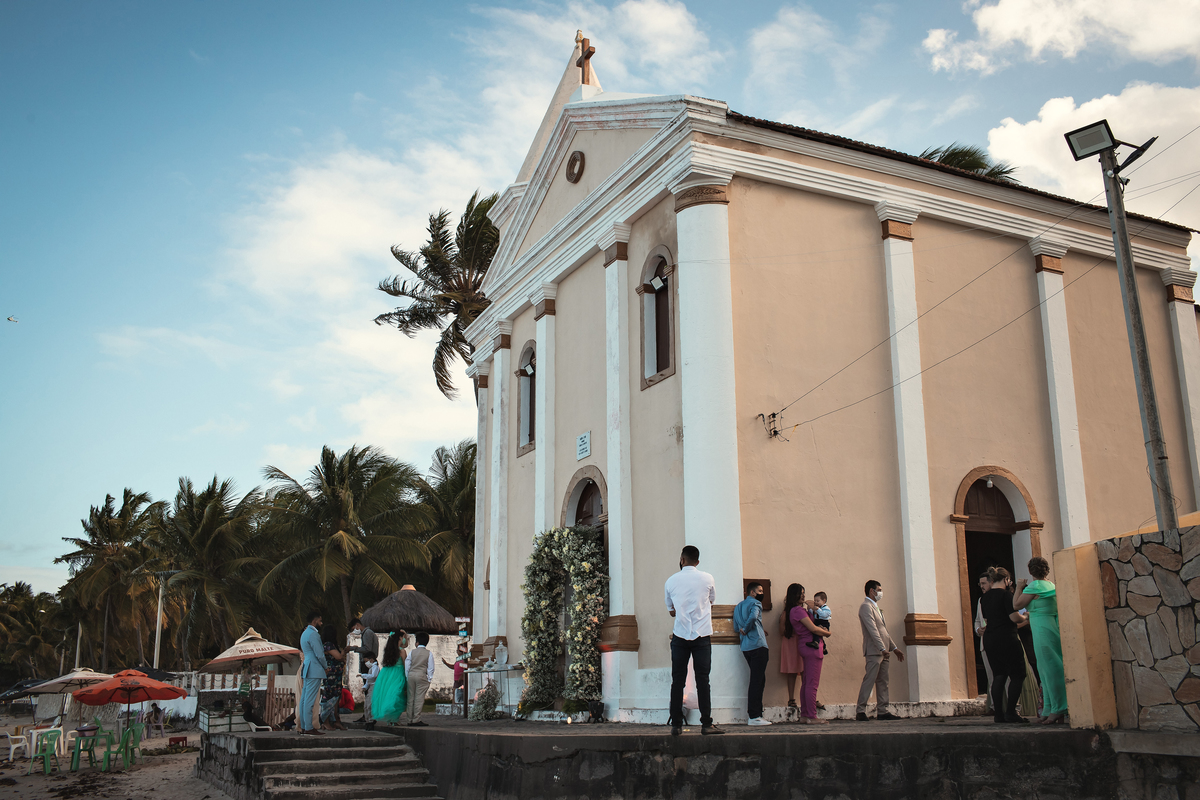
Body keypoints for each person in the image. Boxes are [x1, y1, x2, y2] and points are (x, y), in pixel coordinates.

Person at [664, 545, 723, 736]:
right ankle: (706, 723)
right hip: (702, 635)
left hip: (680, 636)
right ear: (697, 562)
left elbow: (671, 610)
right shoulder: (708, 578)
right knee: (703, 680)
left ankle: (676, 725)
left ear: (682, 559)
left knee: (677, 681)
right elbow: (711, 601)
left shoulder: (671, 581)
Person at [1013, 557, 1068, 724]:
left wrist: (1019, 586)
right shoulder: (1050, 585)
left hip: (1042, 629)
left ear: (1031, 571)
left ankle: (1058, 708)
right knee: (1046, 668)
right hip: (1050, 626)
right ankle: (1049, 708)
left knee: (1050, 669)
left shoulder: (1034, 586)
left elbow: (1016, 604)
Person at [980, 566, 1029, 724]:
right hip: (1007, 637)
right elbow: (1014, 618)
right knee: (1017, 674)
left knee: (998, 675)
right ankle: (1011, 712)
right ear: (1006, 580)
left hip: (990, 638)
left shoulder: (984, 598)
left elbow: (988, 619)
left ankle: (998, 714)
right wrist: (1026, 617)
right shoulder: (1007, 595)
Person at [856, 580, 904, 722]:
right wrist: (882, 648)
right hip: (874, 650)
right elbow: (873, 630)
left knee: (883, 681)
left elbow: (884, 631)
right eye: (879, 590)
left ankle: (883, 710)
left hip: (885, 651)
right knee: (870, 680)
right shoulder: (866, 607)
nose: (880, 593)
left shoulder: (876, 608)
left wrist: (894, 648)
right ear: (872, 591)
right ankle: (860, 710)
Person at [790, 584, 832, 724]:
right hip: (811, 647)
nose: (803, 595)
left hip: (806, 646)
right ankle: (812, 716)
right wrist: (827, 633)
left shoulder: (798, 610)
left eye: (804, 592)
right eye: (800, 593)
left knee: (807, 682)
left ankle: (805, 714)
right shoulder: (797, 611)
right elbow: (813, 628)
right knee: (812, 684)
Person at [734, 581, 771, 727]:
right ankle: (754, 716)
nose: (762, 593)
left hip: (746, 647)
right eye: (760, 590)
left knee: (758, 678)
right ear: (752, 592)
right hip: (758, 645)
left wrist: (745, 629)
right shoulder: (756, 603)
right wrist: (748, 628)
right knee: (758, 680)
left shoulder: (738, 607)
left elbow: (736, 627)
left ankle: (757, 714)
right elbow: (754, 617)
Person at [298, 610, 328, 735]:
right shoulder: (313, 634)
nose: (321, 623)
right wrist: (325, 666)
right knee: (309, 700)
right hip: (314, 668)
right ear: (315, 621)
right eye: (320, 621)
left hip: (307, 667)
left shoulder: (305, 633)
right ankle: (309, 727)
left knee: (304, 699)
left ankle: (305, 726)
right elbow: (320, 654)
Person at [372, 631, 409, 724]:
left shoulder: (389, 650)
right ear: (400, 638)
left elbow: (405, 644)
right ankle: (394, 719)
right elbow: (406, 665)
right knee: (397, 696)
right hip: (398, 674)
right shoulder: (402, 651)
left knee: (389, 694)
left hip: (387, 674)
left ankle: (390, 719)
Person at [779, 583, 804, 711]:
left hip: (801, 641)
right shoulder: (786, 613)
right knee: (792, 671)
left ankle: (807, 697)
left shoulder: (803, 611)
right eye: (801, 593)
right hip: (790, 642)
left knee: (805, 670)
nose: (803, 596)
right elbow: (781, 631)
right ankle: (791, 698)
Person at [404, 632, 435, 726]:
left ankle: (409, 719)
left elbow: (407, 665)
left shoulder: (412, 652)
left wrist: (407, 676)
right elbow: (431, 668)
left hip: (411, 675)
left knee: (410, 698)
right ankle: (416, 719)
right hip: (422, 675)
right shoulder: (428, 653)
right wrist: (429, 679)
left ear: (417, 642)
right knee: (419, 698)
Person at [320, 625, 347, 730]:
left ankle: (336, 719)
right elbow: (339, 657)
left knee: (336, 697)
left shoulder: (333, 646)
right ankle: (325, 720)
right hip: (331, 676)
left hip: (337, 676)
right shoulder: (328, 645)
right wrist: (344, 651)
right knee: (329, 697)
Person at [975, 573, 995, 712]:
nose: (981, 586)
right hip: (985, 643)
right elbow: (977, 620)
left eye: (984, 583)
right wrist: (978, 630)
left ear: (992, 582)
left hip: (999, 641)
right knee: (991, 677)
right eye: (980, 584)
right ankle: (995, 706)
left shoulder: (1002, 597)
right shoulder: (981, 600)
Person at [362, 654, 380, 730]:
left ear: (371, 660)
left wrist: (362, 675)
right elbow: (368, 682)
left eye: (366, 661)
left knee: (370, 705)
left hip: (374, 687)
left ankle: (371, 720)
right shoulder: (371, 669)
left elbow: (373, 676)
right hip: (370, 688)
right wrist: (365, 687)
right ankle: (368, 720)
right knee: (366, 705)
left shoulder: (375, 668)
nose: (366, 663)